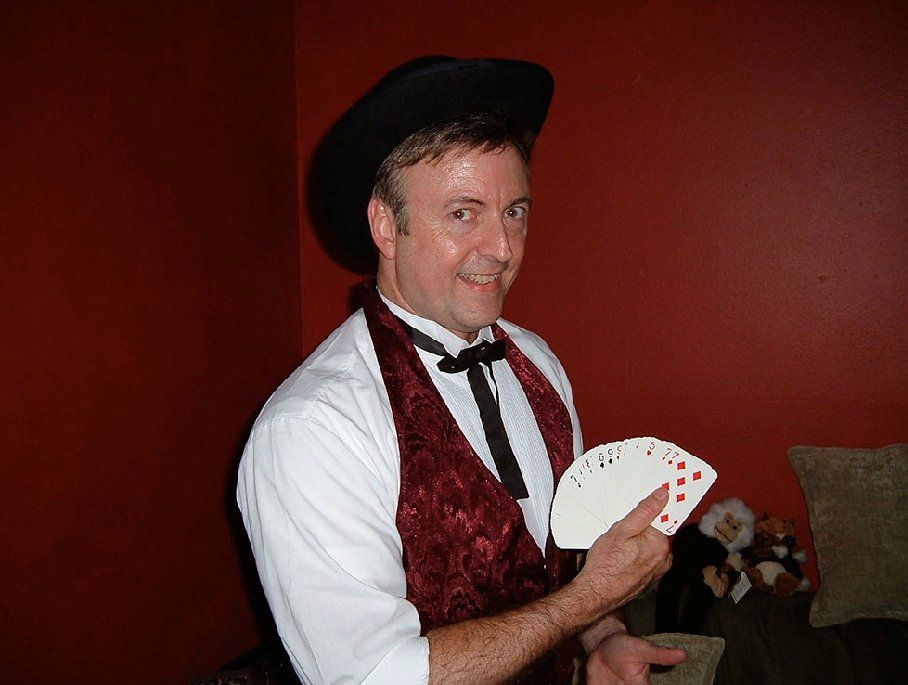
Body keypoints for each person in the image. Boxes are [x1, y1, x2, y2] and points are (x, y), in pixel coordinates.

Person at [237, 56, 685, 684]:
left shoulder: (538, 362)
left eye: (515, 212)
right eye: (463, 213)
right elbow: (373, 676)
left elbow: (557, 561)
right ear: (386, 226)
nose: (503, 249)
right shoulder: (313, 430)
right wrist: (593, 600)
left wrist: (602, 636)